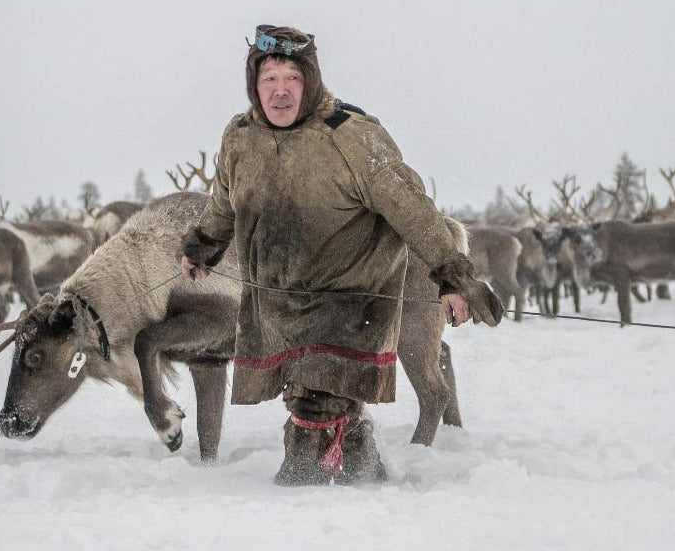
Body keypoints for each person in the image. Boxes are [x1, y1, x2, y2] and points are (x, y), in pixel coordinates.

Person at [179, 24, 502, 486]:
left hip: (351, 306)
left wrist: (455, 279)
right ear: (254, 83)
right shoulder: (241, 138)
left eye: (292, 77)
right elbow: (224, 205)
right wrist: (203, 247)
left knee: (316, 408)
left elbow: (413, 211)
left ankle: (305, 499)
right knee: (321, 404)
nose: (281, 91)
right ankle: (359, 467)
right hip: (277, 307)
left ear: (311, 81)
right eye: (269, 78)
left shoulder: (352, 137)